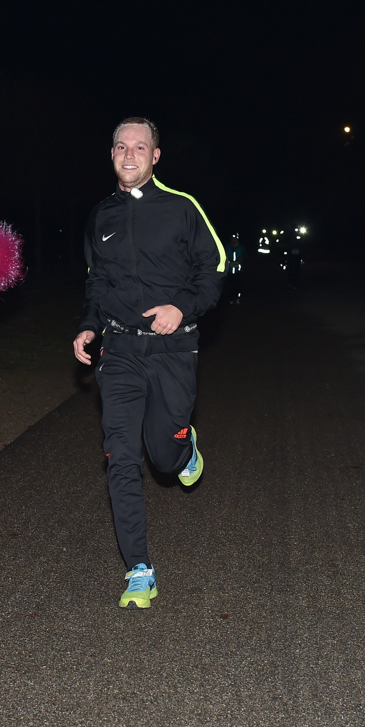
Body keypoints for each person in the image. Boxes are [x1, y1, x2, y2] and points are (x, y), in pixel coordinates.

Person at [73, 117, 225, 608]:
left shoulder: (182, 209)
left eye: (140, 147)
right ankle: (139, 568)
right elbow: (96, 282)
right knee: (120, 455)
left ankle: (183, 449)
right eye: (121, 146)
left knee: (162, 457)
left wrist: (183, 307)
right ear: (112, 153)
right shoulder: (100, 216)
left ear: (156, 156)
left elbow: (216, 266)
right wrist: (89, 325)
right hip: (119, 353)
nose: (130, 154)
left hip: (173, 349)